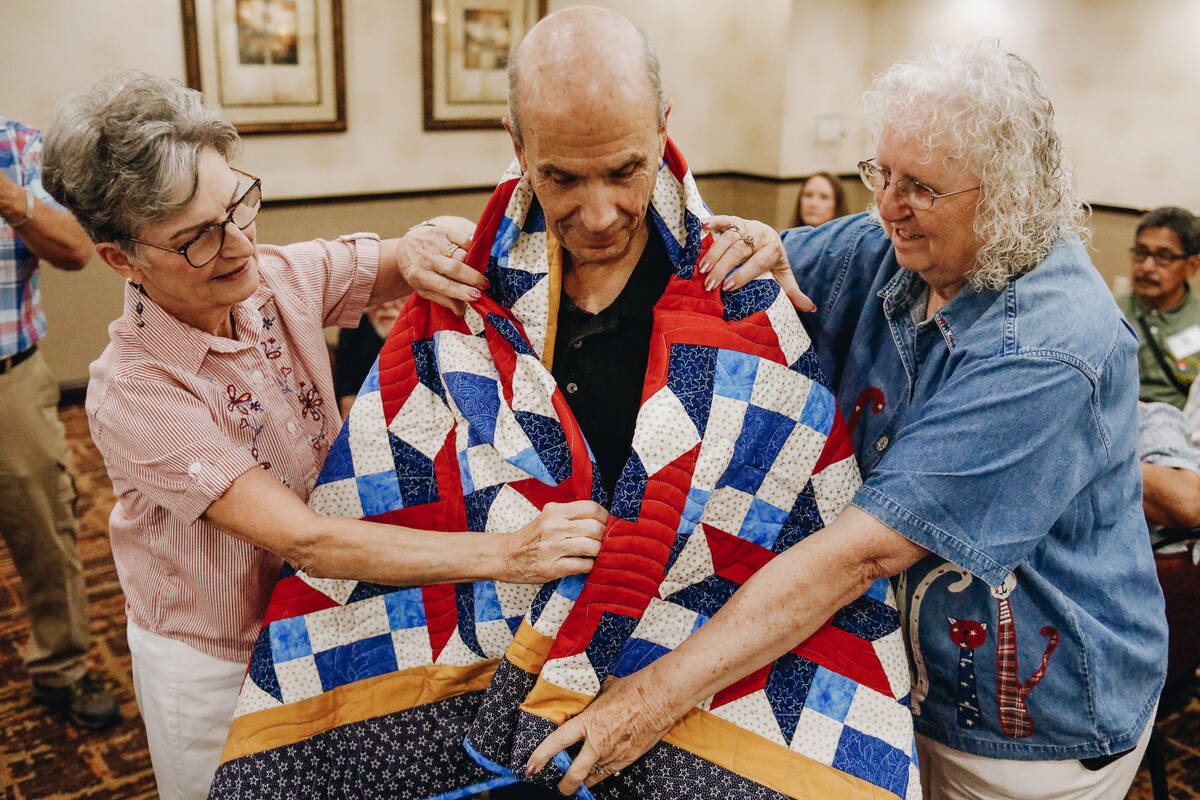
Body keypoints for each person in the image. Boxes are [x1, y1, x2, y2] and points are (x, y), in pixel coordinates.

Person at [525, 42, 1167, 800]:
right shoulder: (897, 243)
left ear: (1009, 197)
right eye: (882, 173)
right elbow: (725, 271)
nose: (889, 205)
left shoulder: (1051, 347)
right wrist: (763, 249)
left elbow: (859, 556)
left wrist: (648, 700)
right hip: (897, 679)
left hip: (1025, 726)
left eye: (920, 187)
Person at [40, 71, 605, 800]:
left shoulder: (271, 275)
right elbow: (303, 538)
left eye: (238, 204)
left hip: (322, 616)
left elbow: (418, 254)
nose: (240, 244)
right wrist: (510, 554)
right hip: (216, 656)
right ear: (123, 259)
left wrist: (436, 244)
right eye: (197, 241)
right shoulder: (134, 389)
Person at [0, 116, 121, 730]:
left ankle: (62, 669)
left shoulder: (17, 146)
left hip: (8, 380)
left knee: (45, 529)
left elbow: (76, 251)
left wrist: (11, 199)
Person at [1117, 206, 1200, 410]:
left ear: (1192, 266)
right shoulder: (1108, 311)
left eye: (1163, 256)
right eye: (1141, 252)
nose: (1146, 266)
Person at [333, 297, 405, 417]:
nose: (386, 305)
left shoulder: (429, 331)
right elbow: (348, 399)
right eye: (379, 297)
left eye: (399, 297)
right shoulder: (353, 329)